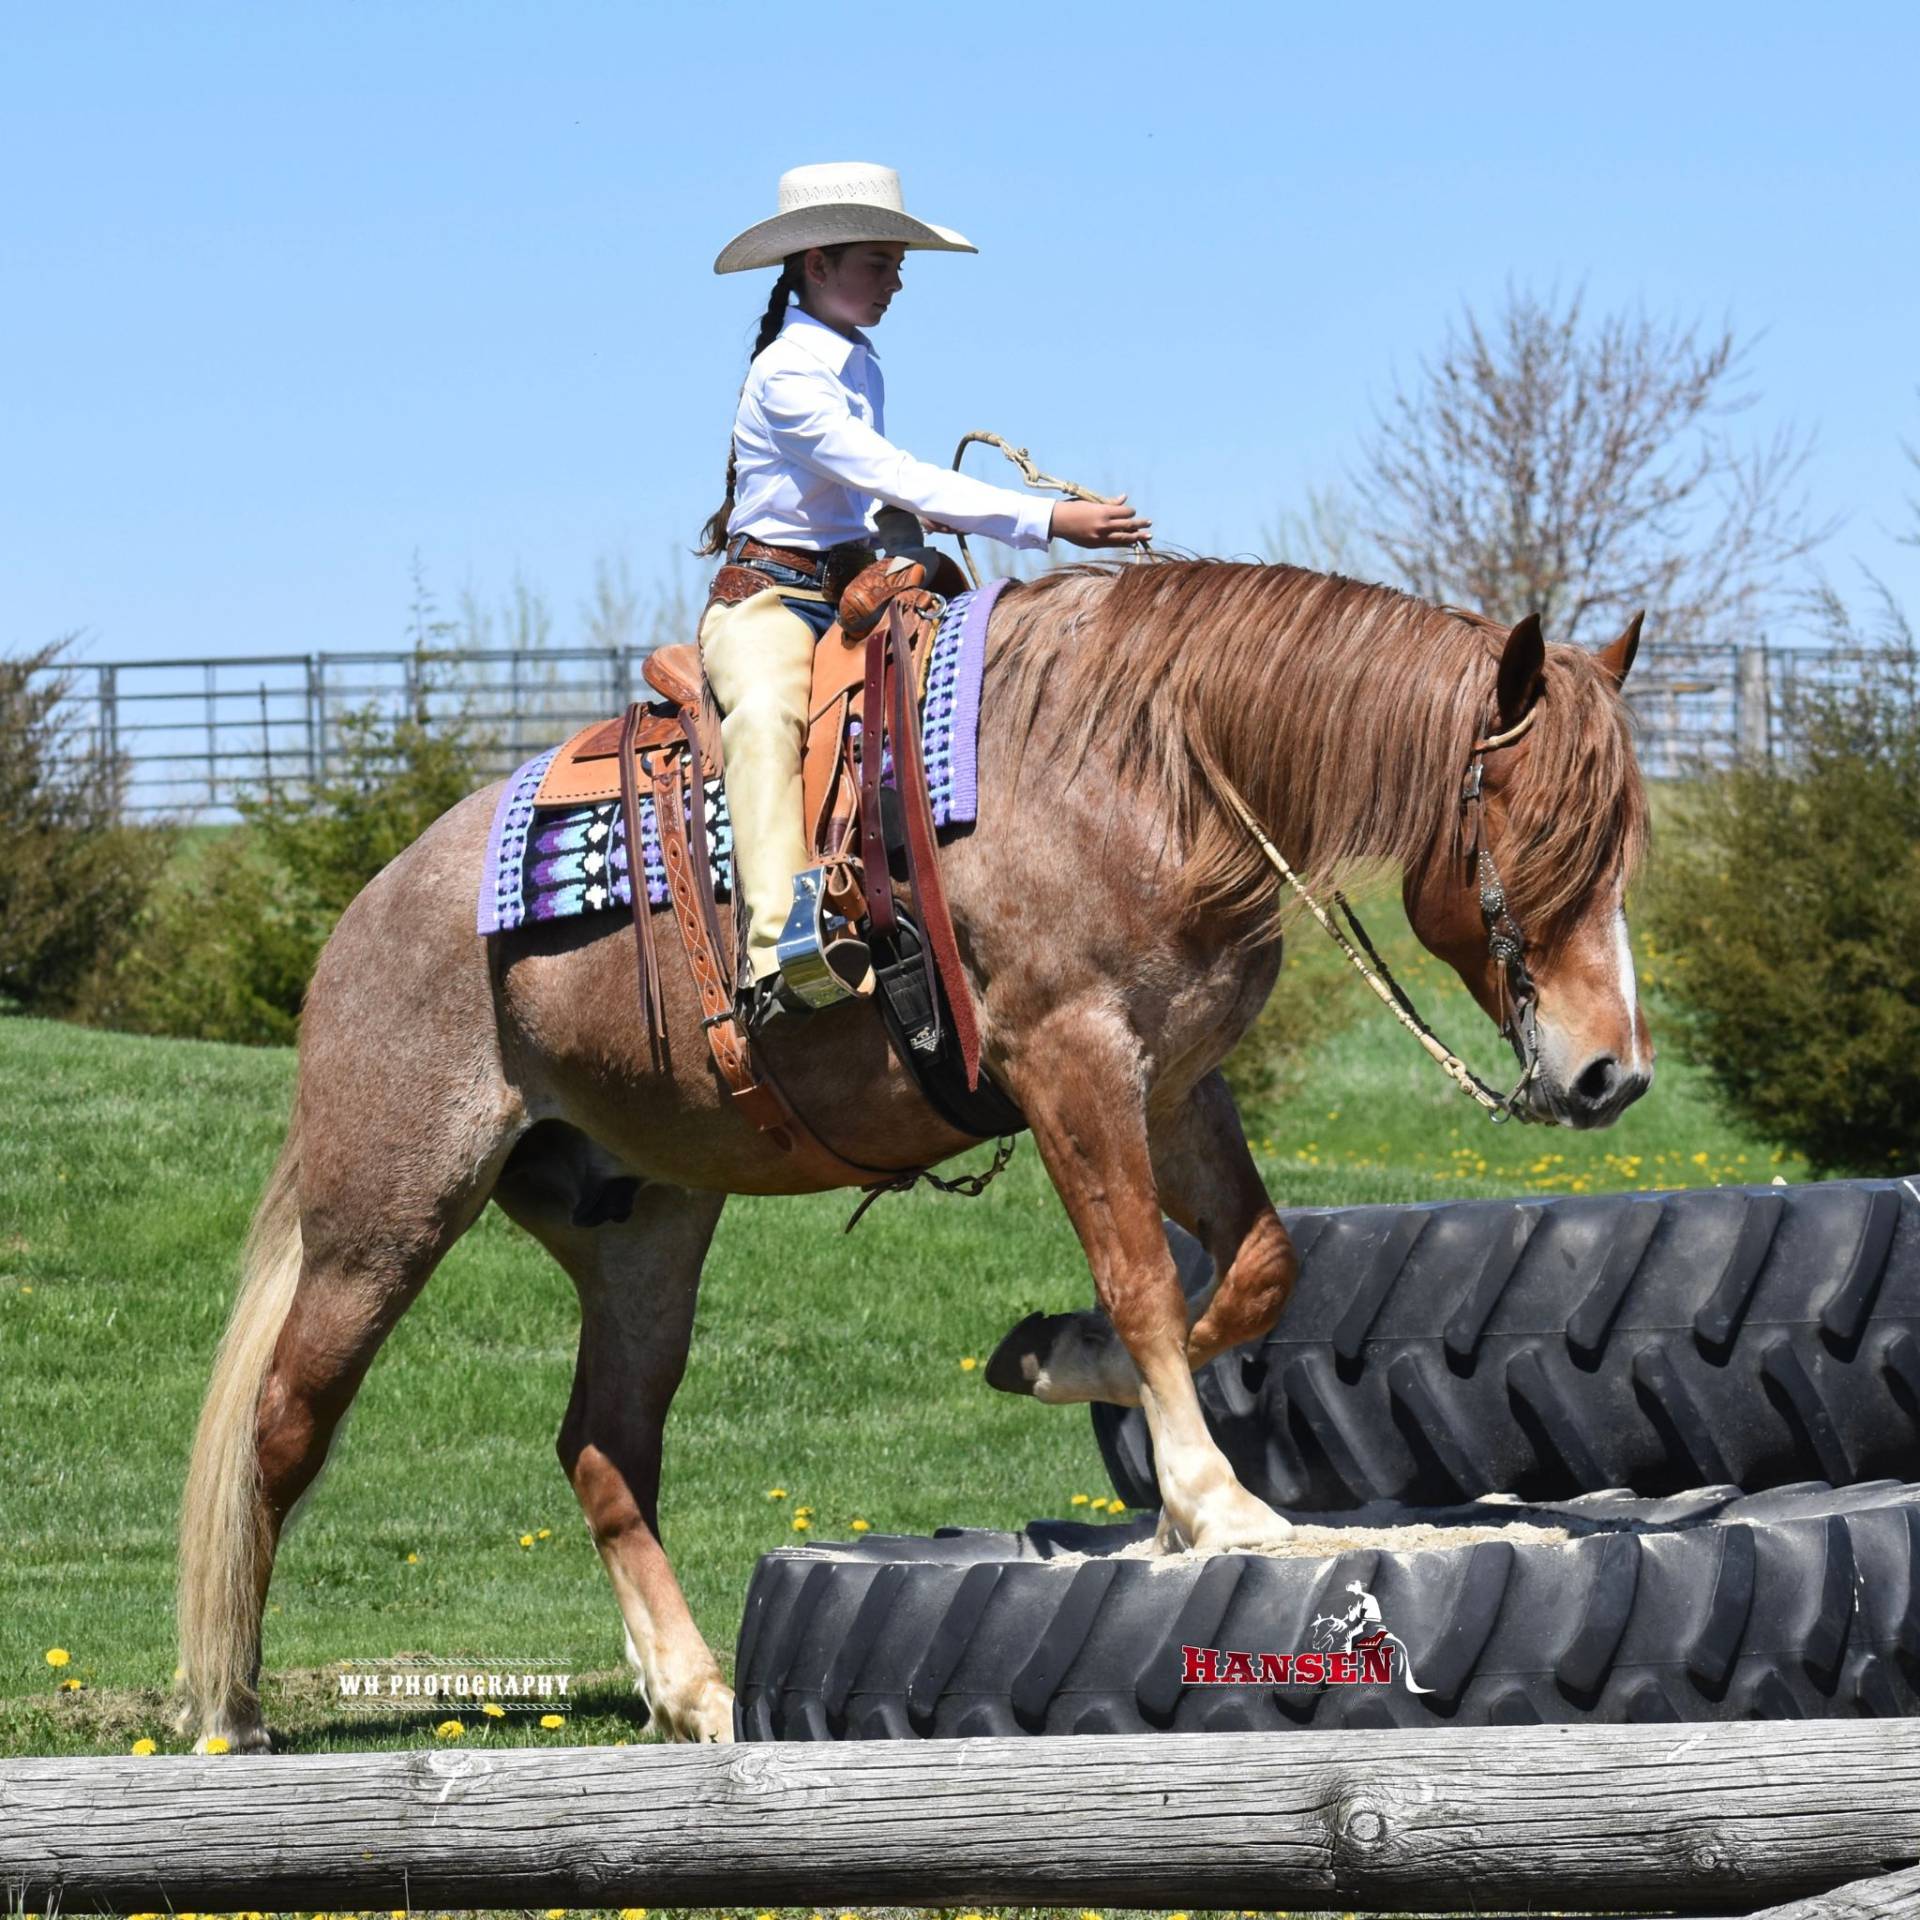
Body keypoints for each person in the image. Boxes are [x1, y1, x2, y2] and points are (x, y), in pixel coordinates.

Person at [697, 162, 1150, 1025]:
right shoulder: (787, 374)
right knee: (765, 719)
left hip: (853, 589)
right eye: (880, 263)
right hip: (770, 601)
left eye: (899, 265)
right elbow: (887, 470)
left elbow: (866, 489)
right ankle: (780, 955)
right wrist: (1048, 520)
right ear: (817, 264)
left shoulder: (857, 363)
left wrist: (901, 524)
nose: (896, 283)